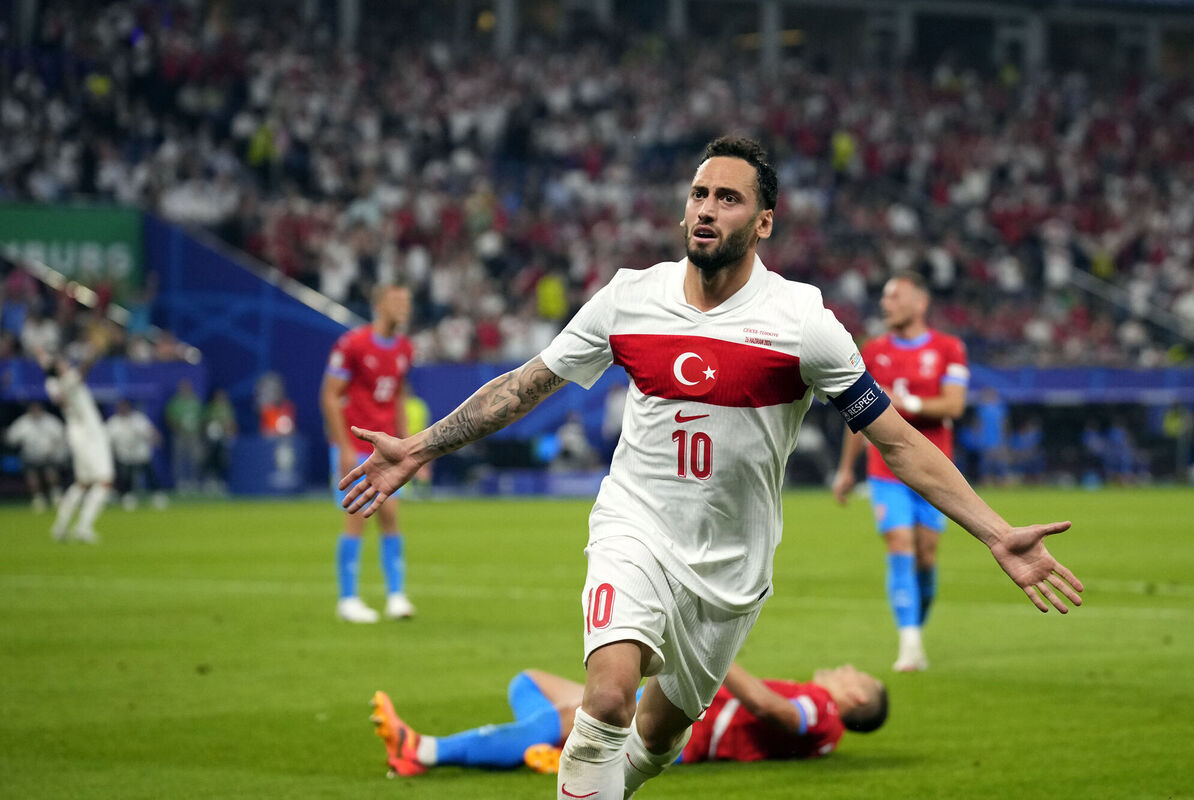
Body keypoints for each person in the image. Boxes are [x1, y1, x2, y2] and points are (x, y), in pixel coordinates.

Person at [339, 136, 1083, 800]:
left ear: (762, 222)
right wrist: (421, 445)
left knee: (655, 744)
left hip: (731, 569)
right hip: (636, 527)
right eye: (699, 193)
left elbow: (899, 440)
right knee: (605, 701)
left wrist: (993, 532)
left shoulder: (803, 323)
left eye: (728, 198)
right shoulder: (631, 299)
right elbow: (524, 385)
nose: (706, 209)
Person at [368, 661, 887, 777]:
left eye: (855, 676)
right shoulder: (825, 725)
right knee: (528, 683)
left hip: (683, 724)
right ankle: (548, 751)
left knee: (578, 715)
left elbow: (768, 709)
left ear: (856, 699)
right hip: (669, 701)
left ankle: (423, 750)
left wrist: (711, 653)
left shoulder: (823, 711)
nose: (846, 669)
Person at [831, 271, 969, 672]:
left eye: (894, 296)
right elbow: (858, 415)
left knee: (926, 556)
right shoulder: (872, 351)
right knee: (900, 547)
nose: (885, 303)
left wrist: (904, 401)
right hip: (886, 469)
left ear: (919, 303)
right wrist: (845, 470)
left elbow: (953, 406)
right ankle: (910, 644)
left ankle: (915, 627)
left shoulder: (949, 348)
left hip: (935, 469)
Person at [320, 282, 416, 623]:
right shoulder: (353, 344)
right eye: (397, 300)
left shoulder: (405, 348)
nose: (404, 307)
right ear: (379, 304)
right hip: (357, 445)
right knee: (357, 517)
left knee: (390, 517)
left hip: (388, 447)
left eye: (407, 301)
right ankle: (347, 599)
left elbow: (399, 398)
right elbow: (330, 395)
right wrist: (343, 446)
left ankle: (396, 596)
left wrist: (410, 447)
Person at [39, 353, 114, 543]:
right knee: (104, 481)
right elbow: (82, 370)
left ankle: (60, 527)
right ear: (59, 369)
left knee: (83, 483)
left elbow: (49, 370)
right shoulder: (66, 380)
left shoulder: (52, 385)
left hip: (77, 433)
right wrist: (94, 350)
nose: (66, 363)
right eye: (62, 362)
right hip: (90, 434)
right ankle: (84, 527)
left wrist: (43, 357)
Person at [4, 400, 66, 511]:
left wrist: (54, 450)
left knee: (50, 473)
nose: (35, 412)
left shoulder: (50, 421)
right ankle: (38, 499)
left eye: (38, 410)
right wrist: (7, 434)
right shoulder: (23, 423)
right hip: (30, 456)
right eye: (33, 410)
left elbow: (61, 436)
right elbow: (11, 439)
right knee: (32, 476)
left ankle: (56, 496)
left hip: (48, 455)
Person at [105, 398, 167, 510]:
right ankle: (127, 496)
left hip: (140, 454)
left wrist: (157, 439)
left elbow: (151, 432)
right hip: (124, 457)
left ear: (129, 407)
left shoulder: (138, 419)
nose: (122, 409)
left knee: (150, 474)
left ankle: (157, 495)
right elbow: (106, 440)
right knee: (124, 475)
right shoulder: (113, 423)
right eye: (120, 407)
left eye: (124, 407)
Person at [165, 378, 204, 493]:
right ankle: (180, 482)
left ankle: (194, 481)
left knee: (195, 459)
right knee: (179, 459)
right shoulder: (175, 402)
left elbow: (201, 417)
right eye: (183, 388)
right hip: (180, 435)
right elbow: (169, 418)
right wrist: (179, 426)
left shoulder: (195, 401)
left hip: (193, 435)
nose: (185, 390)